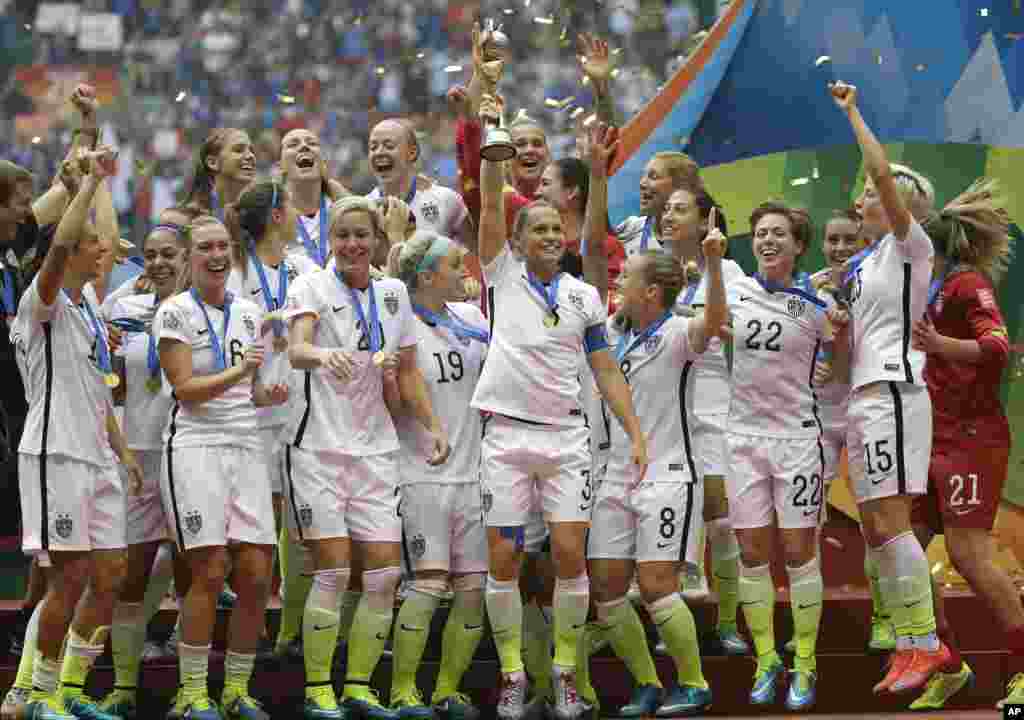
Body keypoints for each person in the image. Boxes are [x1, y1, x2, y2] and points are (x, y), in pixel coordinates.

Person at [473, 94, 646, 720]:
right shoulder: (501, 274)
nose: (548, 234)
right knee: (504, 559)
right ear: (517, 241)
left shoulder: (582, 297)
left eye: (555, 228)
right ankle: (516, 676)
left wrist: (634, 432)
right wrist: (486, 108)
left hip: (567, 441)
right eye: (536, 229)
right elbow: (489, 197)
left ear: (564, 236)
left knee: (570, 554)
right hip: (507, 440)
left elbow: (604, 367)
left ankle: (567, 676)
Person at [284, 195, 449, 720]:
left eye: (361, 235)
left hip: (376, 450)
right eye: (342, 236)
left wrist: (431, 426)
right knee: (332, 572)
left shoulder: (395, 293)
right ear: (331, 240)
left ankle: (357, 684)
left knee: (381, 575)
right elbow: (296, 348)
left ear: (377, 239)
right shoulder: (310, 283)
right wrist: (321, 355)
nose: (352, 245)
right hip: (319, 449)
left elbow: (405, 371)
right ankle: (317, 689)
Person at [13, 146, 143, 720]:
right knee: (69, 576)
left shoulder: (88, 307)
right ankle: (36, 694)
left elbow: (98, 391)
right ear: (65, 255)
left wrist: (123, 452)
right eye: (92, 243)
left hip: (96, 454)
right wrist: (86, 184)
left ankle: (66, 687)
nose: (103, 249)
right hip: (54, 451)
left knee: (110, 572)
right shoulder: (40, 303)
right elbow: (65, 241)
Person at [829, 80, 950, 694]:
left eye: (875, 192)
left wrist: (854, 112)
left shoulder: (910, 247)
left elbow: (878, 173)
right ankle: (907, 644)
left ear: (904, 205)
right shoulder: (866, 264)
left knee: (893, 522)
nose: (864, 196)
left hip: (897, 394)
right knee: (876, 526)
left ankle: (927, 643)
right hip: (866, 397)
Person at [582, 219, 727, 718]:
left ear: (651, 290)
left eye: (627, 279)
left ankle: (694, 682)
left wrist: (712, 264)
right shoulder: (610, 335)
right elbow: (592, 256)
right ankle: (646, 681)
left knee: (658, 584)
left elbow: (713, 323)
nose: (618, 283)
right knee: (605, 589)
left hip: (667, 473)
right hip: (614, 475)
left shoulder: (679, 332)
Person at [156, 214, 287, 720]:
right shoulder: (175, 312)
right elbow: (185, 390)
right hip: (195, 448)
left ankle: (235, 690)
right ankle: (191, 694)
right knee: (209, 571)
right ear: (190, 257)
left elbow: (247, 389)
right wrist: (241, 374)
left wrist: (264, 393)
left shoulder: (250, 312)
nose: (215, 256)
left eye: (221, 248)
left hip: (246, 445)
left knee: (257, 573)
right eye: (204, 248)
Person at [903, 180, 1024, 711]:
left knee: (968, 554)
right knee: (899, 552)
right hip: (931, 436)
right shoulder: (921, 286)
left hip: (973, 440)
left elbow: (997, 346)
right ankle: (948, 663)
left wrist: (940, 344)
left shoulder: (966, 283)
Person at [724, 202, 849, 711]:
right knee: (753, 555)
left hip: (798, 441)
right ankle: (766, 658)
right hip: (743, 440)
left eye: (779, 233)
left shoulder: (819, 304)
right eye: (759, 233)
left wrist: (832, 354)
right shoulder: (733, 290)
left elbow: (840, 362)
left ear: (800, 245)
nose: (767, 240)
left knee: (799, 554)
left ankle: (805, 662)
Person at [388, 231, 490, 720]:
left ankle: (447, 690)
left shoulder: (471, 319)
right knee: (428, 583)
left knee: (473, 586)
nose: (464, 268)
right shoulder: (400, 326)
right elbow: (391, 401)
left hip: (475, 473)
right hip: (421, 473)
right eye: (454, 263)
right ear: (426, 277)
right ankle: (404, 691)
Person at [94, 220, 189, 718]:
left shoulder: (203, 312)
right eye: (150, 254)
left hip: (189, 454)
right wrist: (111, 368)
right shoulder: (121, 310)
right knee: (130, 575)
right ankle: (125, 688)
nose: (158, 262)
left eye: (169, 253)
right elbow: (111, 385)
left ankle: (192, 690)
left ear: (188, 257)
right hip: (137, 452)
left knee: (193, 572)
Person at [223, 180, 319, 663]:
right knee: (256, 525)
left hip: (300, 408)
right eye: (292, 205)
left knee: (299, 525)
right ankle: (254, 620)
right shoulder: (238, 271)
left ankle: (290, 629)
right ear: (278, 215)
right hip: (249, 409)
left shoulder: (305, 268)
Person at [659, 186, 749, 650]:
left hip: (713, 401)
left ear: (705, 220)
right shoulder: (654, 269)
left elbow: (743, 335)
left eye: (680, 209)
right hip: (664, 404)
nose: (668, 215)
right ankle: (670, 626)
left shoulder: (729, 271)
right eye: (666, 209)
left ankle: (728, 623)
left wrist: (706, 286)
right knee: (668, 513)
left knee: (720, 518)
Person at [365, 119, 475, 248]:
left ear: (412, 153)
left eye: (389, 146)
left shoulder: (446, 199)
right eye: (373, 147)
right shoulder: (365, 208)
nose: (379, 152)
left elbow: (474, 255)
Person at [280, 127, 349, 268]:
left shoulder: (345, 212)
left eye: (312, 143)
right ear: (281, 166)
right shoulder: (272, 220)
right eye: (293, 145)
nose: (304, 146)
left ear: (323, 162)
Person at [614, 154, 702, 258]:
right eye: (644, 176)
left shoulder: (704, 242)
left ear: (680, 185)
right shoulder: (630, 230)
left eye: (653, 177)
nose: (642, 183)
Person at [185, 128, 258, 219]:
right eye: (238, 150)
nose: (250, 156)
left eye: (252, 151)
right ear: (212, 162)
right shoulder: (186, 216)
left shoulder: (260, 214)